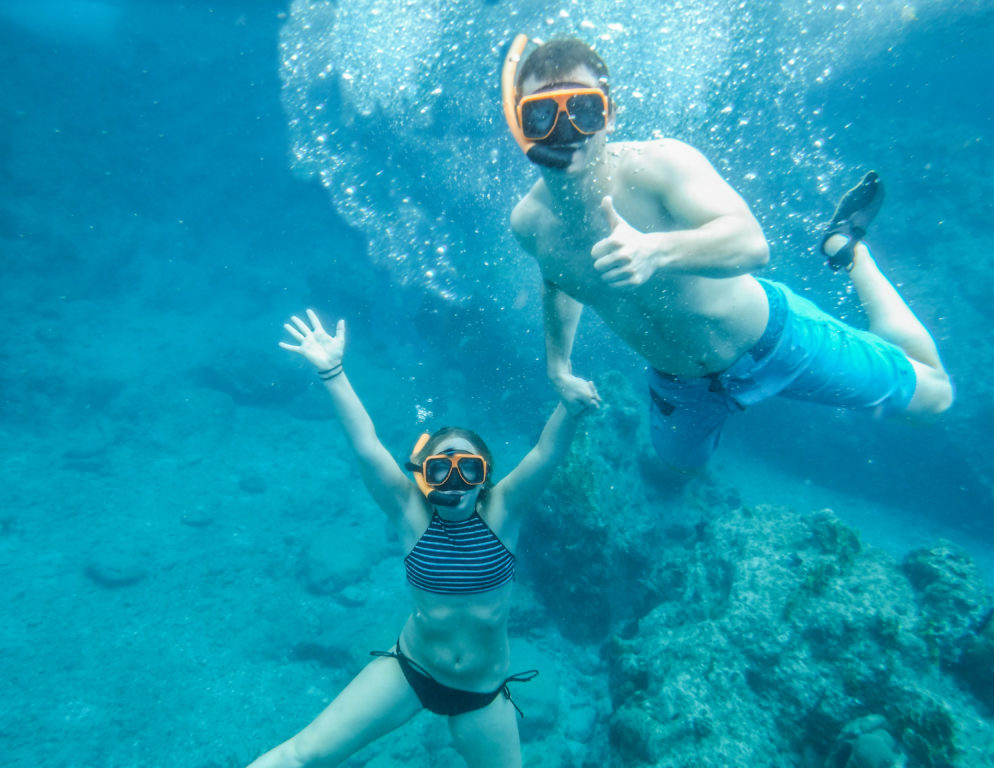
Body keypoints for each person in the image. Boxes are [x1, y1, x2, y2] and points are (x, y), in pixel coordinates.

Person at [500, 35, 953, 475]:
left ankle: (849, 252)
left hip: (775, 343)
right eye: (542, 114)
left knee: (933, 400)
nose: (566, 132)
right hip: (681, 384)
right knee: (681, 462)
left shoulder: (659, 166)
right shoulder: (530, 224)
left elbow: (752, 245)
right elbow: (559, 280)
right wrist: (558, 368)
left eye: (583, 110)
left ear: (611, 115)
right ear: (521, 125)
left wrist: (655, 249)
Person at [247, 309, 584, 768]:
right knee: (302, 754)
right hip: (409, 671)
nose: (455, 480)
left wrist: (569, 406)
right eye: (440, 468)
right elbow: (366, 444)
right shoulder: (410, 512)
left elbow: (546, 452)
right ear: (425, 478)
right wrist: (332, 371)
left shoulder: (504, 512)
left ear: (486, 478)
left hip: (481, 696)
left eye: (469, 469)